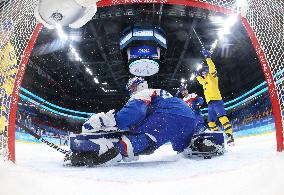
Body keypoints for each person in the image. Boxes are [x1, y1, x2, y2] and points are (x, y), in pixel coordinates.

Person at [67, 77, 224, 166]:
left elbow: (133, 113)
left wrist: (108, 120)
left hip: (166, 118)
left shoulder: (143, 93)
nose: (130, 90)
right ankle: (198, 144)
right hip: (188, 119)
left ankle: (98, 152)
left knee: (132, 144)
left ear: (136, 86)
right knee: (183, 148)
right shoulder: (163, 93)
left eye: (131, 87)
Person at [195, 50, 234, 145]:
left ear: (207, 72)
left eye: (204, 72)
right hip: (210, 104)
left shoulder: (212, 77)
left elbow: (212, 68)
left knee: (222, 118)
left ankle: (230, 136)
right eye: (202, 73)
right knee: (211, 122)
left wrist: (208, 58)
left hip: (217, 101)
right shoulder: (204, 81)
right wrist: (196, 75)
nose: (203, 74)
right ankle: (217, 137)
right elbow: (200, 80)